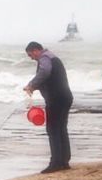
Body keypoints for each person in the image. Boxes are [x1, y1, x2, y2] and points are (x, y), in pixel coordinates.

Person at [23, 41, 73, 173]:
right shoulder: (52, 57)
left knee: (53, 129)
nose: (31, 58)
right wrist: (34, 86)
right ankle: (64, 161)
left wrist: (32, 85)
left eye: (30, 55)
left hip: (56, 99)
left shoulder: (45, 58)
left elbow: (45, 72)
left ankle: (56, 162)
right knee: (61, 128)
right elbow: (50, 77)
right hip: (65, 97)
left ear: (35, 51)